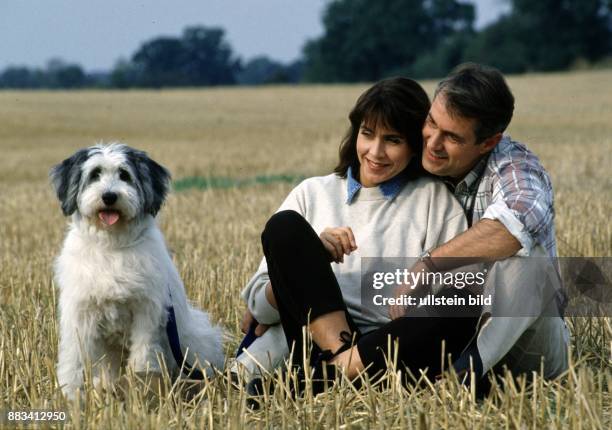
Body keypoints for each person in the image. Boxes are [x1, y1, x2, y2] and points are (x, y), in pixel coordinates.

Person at [233, 76, 484, 393]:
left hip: (386, 350)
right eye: (367, 134)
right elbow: (259, 308)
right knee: (285, 226)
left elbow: (452, 301)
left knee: (464, 302)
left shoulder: (435, 201)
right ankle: (338, 362)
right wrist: (308, 262)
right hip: (311, 340)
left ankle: (332, 375)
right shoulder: (312, 193)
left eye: (392, 140)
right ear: (356, 133)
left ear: (413, 144)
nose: (375, 152)